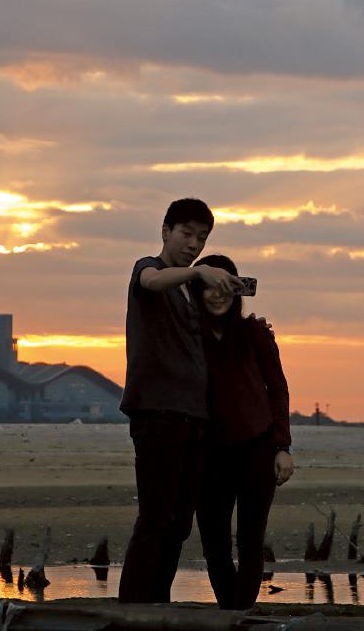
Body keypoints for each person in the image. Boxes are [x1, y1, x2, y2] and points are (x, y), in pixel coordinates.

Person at [118, 198, 237, 603]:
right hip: (156, 412)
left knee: (180, 522)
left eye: (202, 239)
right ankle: (134, 605)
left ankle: (156, 599)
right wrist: (198, 271)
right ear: (166, 230)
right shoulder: (148, 269)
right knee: (156, 516)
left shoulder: (191, 290)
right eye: (187, 234)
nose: (193, 244)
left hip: (194, 418)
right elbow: (151, 281)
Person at [190, 254, 294, 611]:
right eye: (209, 287)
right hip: (207, 453)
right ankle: (230, 612)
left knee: (251, 542)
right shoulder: (188, 335)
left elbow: (277, 389)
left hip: (257, 449)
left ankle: (241, 615)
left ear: (238, 290)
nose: (217, 295)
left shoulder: (255, 334)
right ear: (196, 290)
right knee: (214, 543)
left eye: (226, 287)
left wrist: (283, 446)